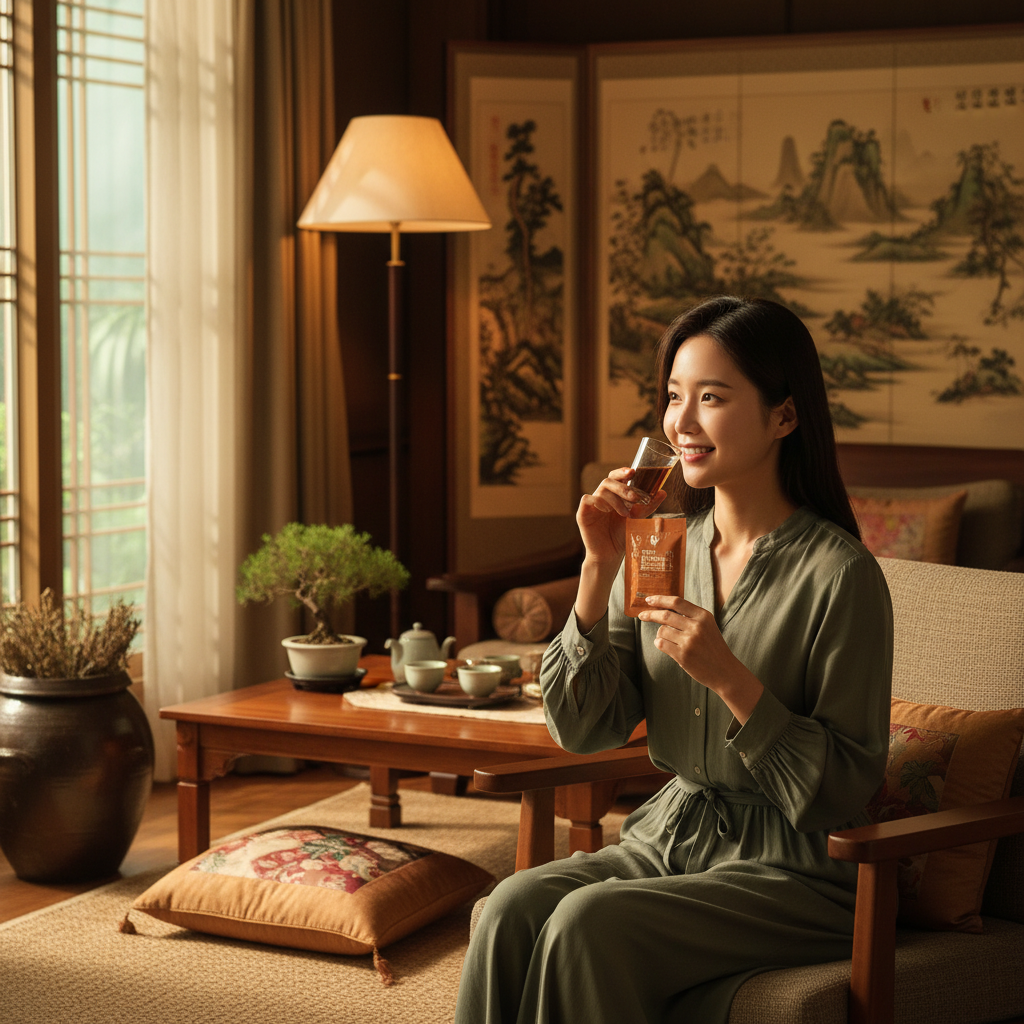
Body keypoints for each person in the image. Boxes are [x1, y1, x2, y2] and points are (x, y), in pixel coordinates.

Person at [454, 296, 894, 1024]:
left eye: (712, 398)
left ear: (785, 416)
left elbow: (844, 790)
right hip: (670, 836)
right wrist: (597, 567)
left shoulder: (841, 575)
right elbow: (585, 729)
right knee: (509, 906)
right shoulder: (661, 545)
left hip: (796, 870)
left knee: (586, 924)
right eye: (673, 397)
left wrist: (729, 677)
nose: (681, 424)